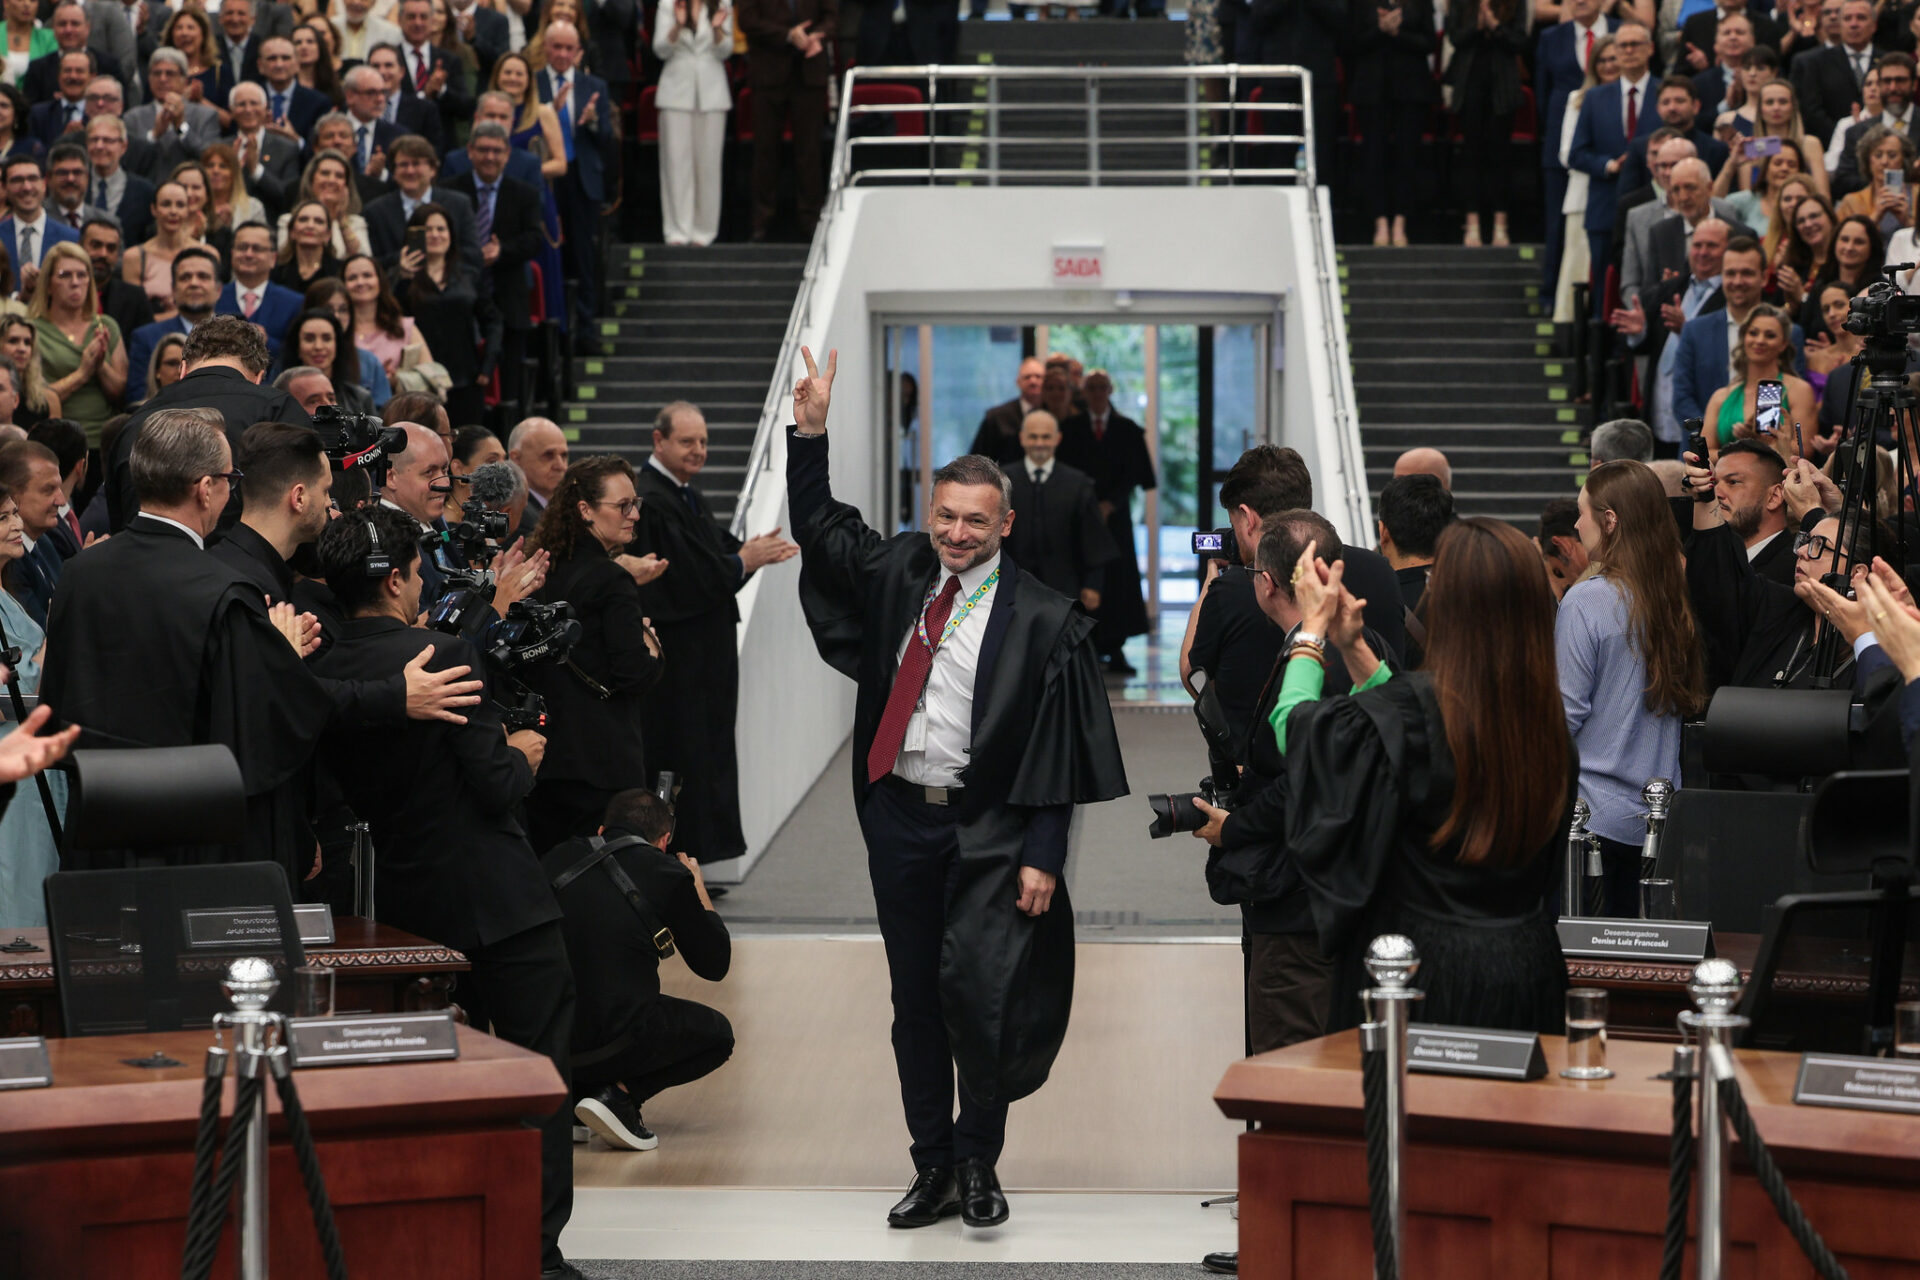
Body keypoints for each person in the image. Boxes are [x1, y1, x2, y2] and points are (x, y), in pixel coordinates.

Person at [786, 347, 1126, 1231]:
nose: (958, 534)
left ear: (1005, 525)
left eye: (976, 521)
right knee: (914, 1002)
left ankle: (979, 1164)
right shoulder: (902, 570)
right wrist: (809, 435)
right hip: (900, 818)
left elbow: (1058, 754)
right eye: (946, 517)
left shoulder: (1045, 619)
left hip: (992, 835)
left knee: (981, 997)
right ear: (929, 515)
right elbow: (821, 531)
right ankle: (930, 1165)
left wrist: (1044, 857)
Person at [309, 503, 581, 1280]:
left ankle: (440, 1240)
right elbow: (495, 786)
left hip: (403, 903)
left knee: (428, 1080)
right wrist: (525, 752)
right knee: (536, 1079)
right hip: (500, 899)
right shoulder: (442, 650)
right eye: (417, 570)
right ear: (396, 579)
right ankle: (534, 1252)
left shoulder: (318, 674)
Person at [1280, 517, 1577, 1034]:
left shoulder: (1419, 710)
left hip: (1422, 975)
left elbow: (1298, 733)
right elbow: (1409, 725)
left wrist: (1310, 632)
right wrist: (1353, 647)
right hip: (1529, 968)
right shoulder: (1545, 726)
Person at [41, 406, 337, 870]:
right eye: (229, 479)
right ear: (205, 489)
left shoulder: (78, 574)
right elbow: (256, 736)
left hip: (98, 836)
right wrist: (281, 656)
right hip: (186, 846)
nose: (230, 491)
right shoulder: (224, 591)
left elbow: (57, 705)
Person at [630, 401, 793, 868]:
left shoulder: (684, 495)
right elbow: (690, 577)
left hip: (705, 660)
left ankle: (696, 855)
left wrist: (746, 552)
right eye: (687, 441)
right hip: (681, 663)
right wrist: (745, 560)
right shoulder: (654, 500)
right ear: (658, 441)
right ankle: (677, 856)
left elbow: (711, 551)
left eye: (703, 441)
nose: (698, 450)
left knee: (707, 752)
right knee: (681, 753)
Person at [546, 787, 733, 1152]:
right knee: (717, 1035)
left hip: (549, 1036)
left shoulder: (555, 857)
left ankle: (571, 1101)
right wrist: (696, 885)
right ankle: (619, 1096)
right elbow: (715, 964)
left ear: (602, 830)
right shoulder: (666, 873)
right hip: (619, 1038)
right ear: (663, 841)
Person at [1559, 461, 1702, 916]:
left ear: (1610, 520)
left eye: (1582, 512)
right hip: (1658, 824)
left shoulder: (1586, 600)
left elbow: (1564, 715)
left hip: (1588, 821)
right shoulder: (1670, 595)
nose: (1576, 524)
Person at [519, 455, 665, 852]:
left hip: (543, 754)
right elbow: (633, 674)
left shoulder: (541, 569)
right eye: (623, 506)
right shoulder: (612, 580)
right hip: (603, 758)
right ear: (585, 510)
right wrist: (650, 644)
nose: (634, 515)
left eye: (636, 504)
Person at [108, 313, 311, 530]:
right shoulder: (277, 409)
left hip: (144, 561)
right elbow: (305, 507)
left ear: (183, 370)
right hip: (245, 562)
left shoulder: (132, 423)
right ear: (259, 377)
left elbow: (120, 522)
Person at [0, 479, 68, 929]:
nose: (15, 525)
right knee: (18, 906)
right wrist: (52, 644)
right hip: (14, 777)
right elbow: (14, 687)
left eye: (13, 514)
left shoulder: (7, 597)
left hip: (35, 770)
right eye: (3, 517)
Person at [1056, 368, 1155, 675]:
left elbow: (1138, 475)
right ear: (1083, 393)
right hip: (1080, 520)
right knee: (1085, 579)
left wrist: (1111, 503)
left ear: (1110, 390)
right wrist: (1087, 504)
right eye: (1092, 388)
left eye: (1102, 387)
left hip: (1116, 521)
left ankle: (1116, 649)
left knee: (1119, 581)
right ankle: (1089, 649)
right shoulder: (1069, 429)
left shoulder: (1128, 430)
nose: (1097, 393)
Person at [443, 120, 541, 409]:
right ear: (470, 151)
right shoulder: (449, 191)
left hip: (508, 300)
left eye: (496, 151)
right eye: (483, 150)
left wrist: (502, 252)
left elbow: (535, 238)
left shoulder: (524, 193)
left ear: (507, 154)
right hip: (460, 303)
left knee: (509, 392)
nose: (489, 157)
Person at [1571, 21, 1661, 307]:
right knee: (1603, 284)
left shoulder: (1665, 93)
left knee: (1652, 282)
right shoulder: (1595, 97)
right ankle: (1602, 346)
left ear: (1650, 49)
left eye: (1636, 44)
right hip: (1605, 204)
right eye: (1623, 45)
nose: (1629, 51)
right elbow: (1577, 153)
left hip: (1655, 204)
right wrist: (1608, 165)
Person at [392, 201, 497, 426]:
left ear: (451, 234)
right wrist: (401, 278)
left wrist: (487, 365)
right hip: (419, 380)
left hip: (466, 377)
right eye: (427, 230)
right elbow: (394, 318)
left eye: (441, 229)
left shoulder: (468, 274)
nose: (435, 235)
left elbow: (493, 320)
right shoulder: (402, 278)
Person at [737, 0, 833, 242]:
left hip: (809, 69)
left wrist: (815, 36)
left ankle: (811, 221)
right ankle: (762, 221)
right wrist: (788, 35)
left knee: (810, 151)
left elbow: (832, 17)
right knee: (765, 151)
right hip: (768, 71)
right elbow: (747, 20)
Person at [1002, 409, 1114, 610]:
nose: (1039, 443)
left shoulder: (1079, 484)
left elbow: (1094, 539)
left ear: (1057, 438)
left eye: (1046, 437)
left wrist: (1093, 585)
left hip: (1064, 588)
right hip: (1010, 586)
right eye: (1033, 436)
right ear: (1022, 438)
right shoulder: (1002, 482)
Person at [1444, 0, 1527, 247]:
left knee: (1500, 155)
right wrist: (1478, 26)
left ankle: (1501, 224)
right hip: (1470, 83)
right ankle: (1472, 223)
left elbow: (1521, 41)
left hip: (1503, 85)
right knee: (1472, 155)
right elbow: (1455, 38)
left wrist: (1496, 26)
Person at [28, 241, 124, 448]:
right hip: (55, 441)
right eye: (65, 275)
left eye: (82, 275)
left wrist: (100, 365)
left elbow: (120, 392)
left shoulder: (106, 325)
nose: (75, 282)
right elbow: (33, 399)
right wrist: (81, 374)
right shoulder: (31, 331)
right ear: (48, 284)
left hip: (104, 440)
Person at [652, 0, 731, 248]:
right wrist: (677, 25)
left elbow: (726, 50)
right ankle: (677, 230)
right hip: (676, 88)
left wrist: (718, 29)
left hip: (712, 89)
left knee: (708, 163)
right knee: (676, 162)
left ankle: (704, 231)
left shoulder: (722, 2)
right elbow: (660, 49)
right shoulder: (668, 4)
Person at [1701, 302, 1816, 457]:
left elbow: (1805, 451)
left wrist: (1761, 441)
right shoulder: (1721, 396)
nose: (1760, 340)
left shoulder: (1799, 390)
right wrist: (1744, 447)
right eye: (1753, 333)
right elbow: (1704, 453)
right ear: (1744, 337)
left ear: (1783, 344)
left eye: (1770, 335)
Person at [124, 243, 219, 404]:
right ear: (173, 290)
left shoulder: (237, 336)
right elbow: (137, 398)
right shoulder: (146, 338)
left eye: (203, 276)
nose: (194, 283)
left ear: (219, 289)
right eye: (185, 277)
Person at [216, 222, 302, 361]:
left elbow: (298, 354)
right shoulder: (215, 298)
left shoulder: (293, 303)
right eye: (242, 248)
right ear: (232, 254)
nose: (249, 254)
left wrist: (267, 342)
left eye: (257, 249)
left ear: (273, 258)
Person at [121, 179, 205, 322]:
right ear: (154, 209)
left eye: (180, 205)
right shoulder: (134, 257)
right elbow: (133, 317)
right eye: (166, 204)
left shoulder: (206, 254)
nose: (173, 211)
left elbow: (211, 308)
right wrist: (180, 315)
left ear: (187, 210)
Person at [284, 309, 375, 414]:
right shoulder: (281, 398)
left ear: (337, 345)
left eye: (326, 339)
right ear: (297, 347)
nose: (318, 346)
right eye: (309, 339)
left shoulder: (360, 398)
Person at [969, 357, 1045, 465]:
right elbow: (978, 460)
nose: (1033, 381)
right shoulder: (996, 418)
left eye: (1038, 377)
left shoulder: (1055, 414)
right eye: (1027, 377)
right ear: (1018, 382)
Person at [509, 414, 570, 530]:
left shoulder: (566, 507)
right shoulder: (517, 516)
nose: (561, 466)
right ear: (516, 459)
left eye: (564, 456)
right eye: (548, 455)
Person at [1, 315, 59, 430]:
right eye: (13, 341)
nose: (22, 349)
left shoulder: (49, 398)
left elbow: (55, 446)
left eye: (27, 342)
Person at [141, 330, 185, 405]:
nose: (179, 371)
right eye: (172, 363)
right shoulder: (138, 414)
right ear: (157, 371)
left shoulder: (206, 412)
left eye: (185, 364)